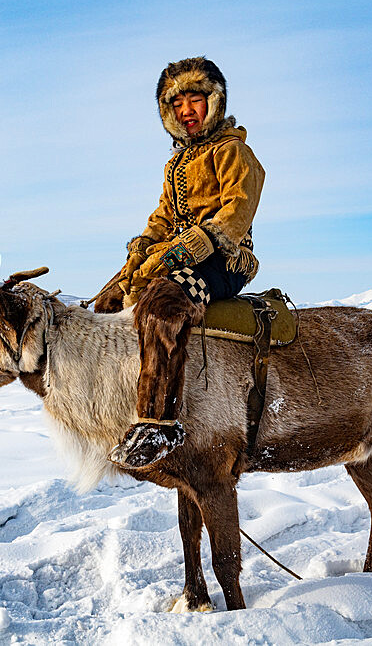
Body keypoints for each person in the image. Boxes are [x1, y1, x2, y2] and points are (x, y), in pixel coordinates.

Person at [97, 56, 266, 470]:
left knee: (162, 306)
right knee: (108, 301)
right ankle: (117, 407)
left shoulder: (234, 152)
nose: (187, 111)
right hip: (175, 255)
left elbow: (237, 212)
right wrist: (142, 250)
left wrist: (190, 248)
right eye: (178, 105)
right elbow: (162, 218)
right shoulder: (176, 164)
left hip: (223, 261)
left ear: (215, 103)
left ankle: (159, 421)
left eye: (195, 100)